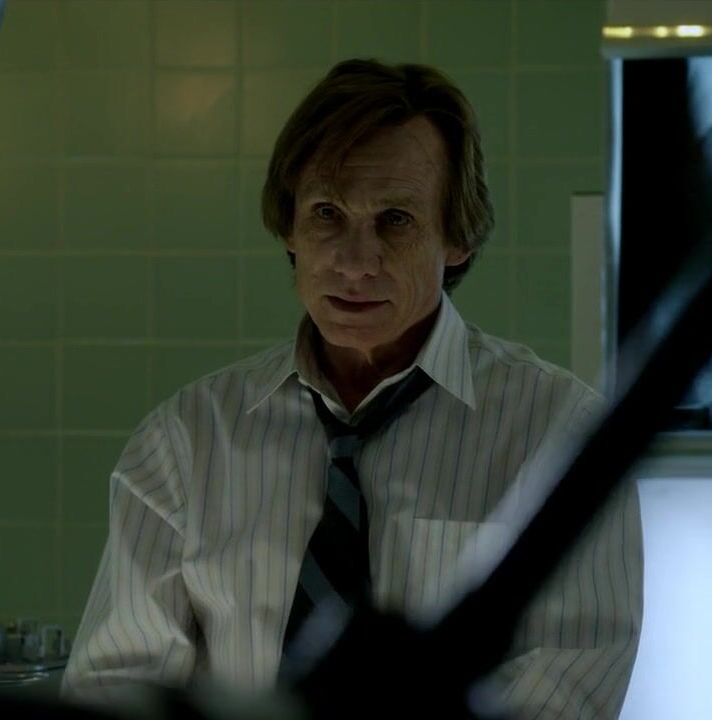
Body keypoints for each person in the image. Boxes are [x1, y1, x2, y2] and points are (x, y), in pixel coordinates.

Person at [62, 59, 643, 719]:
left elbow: (567, 686)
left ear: (457, 237)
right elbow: (117, 685)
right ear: (290, 227)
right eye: (327, 213)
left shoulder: (559, 435)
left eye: (395, 219)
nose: (355, 261)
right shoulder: (187, 442)